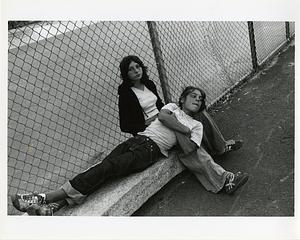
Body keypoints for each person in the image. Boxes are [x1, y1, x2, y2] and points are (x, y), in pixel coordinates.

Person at [11, 87, 249, 216]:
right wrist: (179, 126)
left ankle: (42, 197)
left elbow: (188, 148)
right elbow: (163, 116)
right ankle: (54, 207)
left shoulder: (196, 125)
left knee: (108, 168)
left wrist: (175, 126)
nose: (197, 99)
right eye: (193, 96)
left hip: (150, 150)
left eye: (200, 98)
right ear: (183, 99)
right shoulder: (171, 107)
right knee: (101, 169)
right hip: (137, 140)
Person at [117, 55, 242, 155]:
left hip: (164, 117)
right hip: (152, 129)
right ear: (126, 74)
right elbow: (125, 126)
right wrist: (146, 123)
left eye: (137, 67)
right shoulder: (125, 94)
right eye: (130, 69)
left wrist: (171, 112)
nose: (136, 71)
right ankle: (216, 149)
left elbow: (160, 105)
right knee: (188, 129)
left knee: (199, 113)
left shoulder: (149, 84)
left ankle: (221, 145)